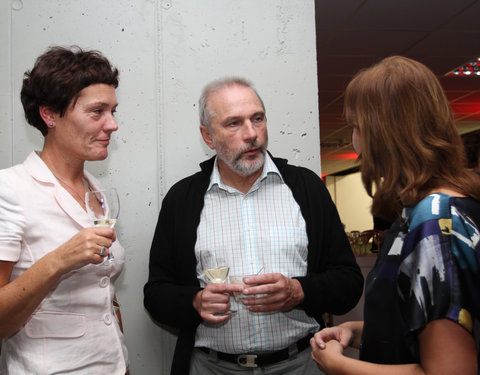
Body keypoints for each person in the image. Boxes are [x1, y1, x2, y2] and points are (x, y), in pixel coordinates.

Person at [144, 77, 363, 374]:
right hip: (212, 367)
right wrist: (195, 301)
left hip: (301, 363)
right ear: (208, 136)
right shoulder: (182, 199)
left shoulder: (305, 187)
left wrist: (300, 291)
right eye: (234, 123)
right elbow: (156, 295)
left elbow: (349, 282)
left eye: (257, 119)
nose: (251, 134)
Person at [310, 56, 480, 375]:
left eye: (357, 127)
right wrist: (357, 332)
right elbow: (418, 320)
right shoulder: (422, 211)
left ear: (383, 133)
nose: (354, 141)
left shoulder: (436, 219)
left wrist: (338, 365)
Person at [0, 46, 128, 373]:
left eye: (113, 111)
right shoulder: (9, 190)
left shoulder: (96, 192)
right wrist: (60, 259)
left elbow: (103, 293)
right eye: (97, 111)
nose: (112, 124)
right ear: (50, 115)